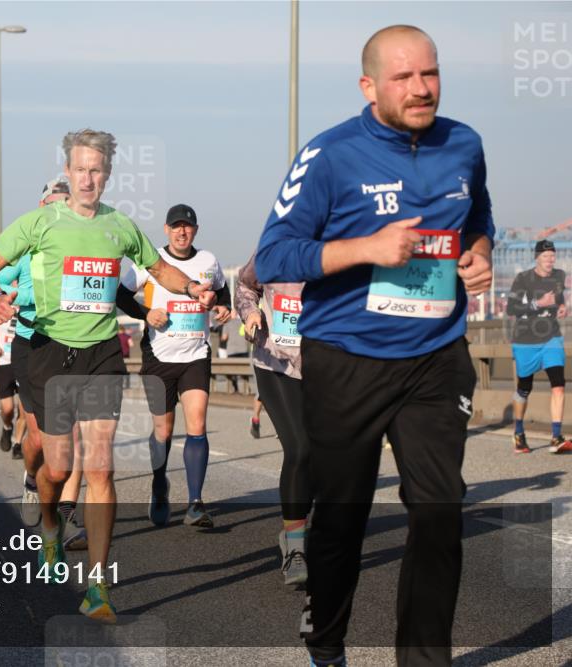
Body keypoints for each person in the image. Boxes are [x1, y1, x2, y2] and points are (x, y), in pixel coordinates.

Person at [255, 25, 494, 666]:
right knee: (342, 520)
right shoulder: (331, 154)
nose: (421, 89)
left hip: (436, 357)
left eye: (430, 74)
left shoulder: (464, 144)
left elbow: (478, 219)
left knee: (440, 511)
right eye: (404, 78)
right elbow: (274, 253)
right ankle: (327, 642)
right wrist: (367, 248)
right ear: (370, 86)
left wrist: (478, 253)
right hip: (347, 358)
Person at [0, 129, 216, 623]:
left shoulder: (120, 226)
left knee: (101, 469)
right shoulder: (39, 222)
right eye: (80, 169)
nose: (88, 178)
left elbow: (156, 269)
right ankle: (50, 531)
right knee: (59, 469)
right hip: (48, 353)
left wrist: (191, 286)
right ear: (69, 171)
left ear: (107, 175)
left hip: (103, 352)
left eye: (97, 170)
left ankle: (99, 587)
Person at [118, 203, 231, 529]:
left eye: (188, 226)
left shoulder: (208, 262)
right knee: (163, 430)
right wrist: (144, 314)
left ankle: (195, 503)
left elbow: (222, 291)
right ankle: (159, 483)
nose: (182, 231)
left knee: (197, 424)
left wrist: (223, 307)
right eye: (176, 226)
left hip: (196, 353)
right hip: (158, 356)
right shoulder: (151, 261)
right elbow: (121, 295)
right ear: (167, 229)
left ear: (195, 230)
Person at [0, 179, 73, 521]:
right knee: (39, 438)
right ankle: (31, 480)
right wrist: (9, 297)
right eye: (53, 204)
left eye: (65, 204)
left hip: (70, 344)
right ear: (42, 207)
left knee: (71, 437)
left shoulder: (77, 247)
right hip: (30, 342)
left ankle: (64, 509)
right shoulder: (26, 249)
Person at [236, 254, 312, 585]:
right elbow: (244, 284)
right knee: (300, 449)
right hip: (275, 362)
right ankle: (295, 547)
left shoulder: (347, 245)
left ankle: (301, 528)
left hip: (326, 368)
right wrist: (251, 312)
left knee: (324, 457)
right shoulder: (275, 248)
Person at [506, 239, 572, 454]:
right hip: (525, 339)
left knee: (559, 384)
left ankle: (556, 436)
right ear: (537, 257)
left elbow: (559, 298)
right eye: (545, 256)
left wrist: (562, 306)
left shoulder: (559, 276)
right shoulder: (523, 279)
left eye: (552, 255)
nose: (550, 259)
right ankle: (518, 432)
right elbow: (511, 308)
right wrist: (538, 304)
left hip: (551, 337)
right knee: (524, 388)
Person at [0, 312, 22, 453]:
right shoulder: (1, 306)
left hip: (24, 363)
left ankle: (18, 444)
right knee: (8, 409)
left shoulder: (31, 304)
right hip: (4, 363)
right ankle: (7, 427)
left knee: (24, 409)